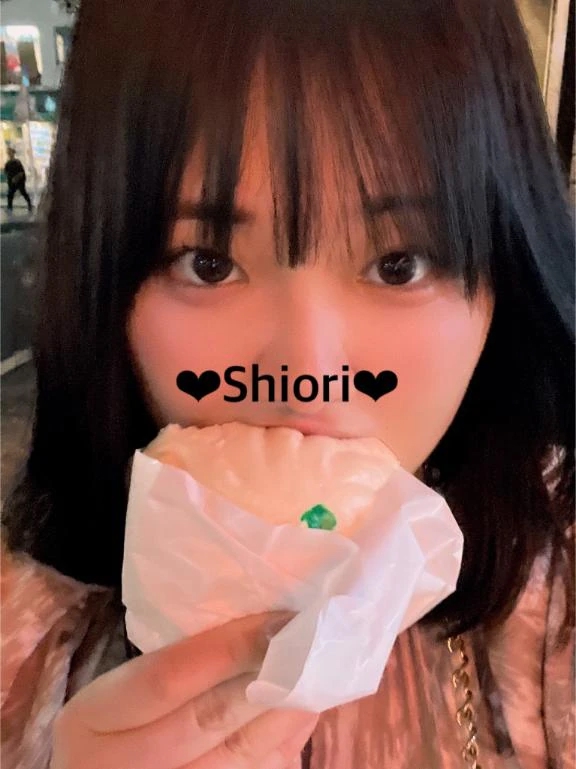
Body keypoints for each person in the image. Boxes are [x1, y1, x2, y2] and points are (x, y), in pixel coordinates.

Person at [1, 0, 574, 767]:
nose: (308, 374)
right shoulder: (18, 653)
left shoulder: (558, 606)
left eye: (399, 263)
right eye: (208, 263)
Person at [4, 147, 32, 213]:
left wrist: (16, 178)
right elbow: (6, 172)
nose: (9, 154)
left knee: (23, 192)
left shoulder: (17, 162)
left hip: (19, 181)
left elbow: (21, 172)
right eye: (8, 153)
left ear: (13, 153)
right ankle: (9, 208)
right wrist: (10, 178)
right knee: (10, 194)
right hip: (12, 181)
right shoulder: (8, 162)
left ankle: (29, 205)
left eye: (10, 152)